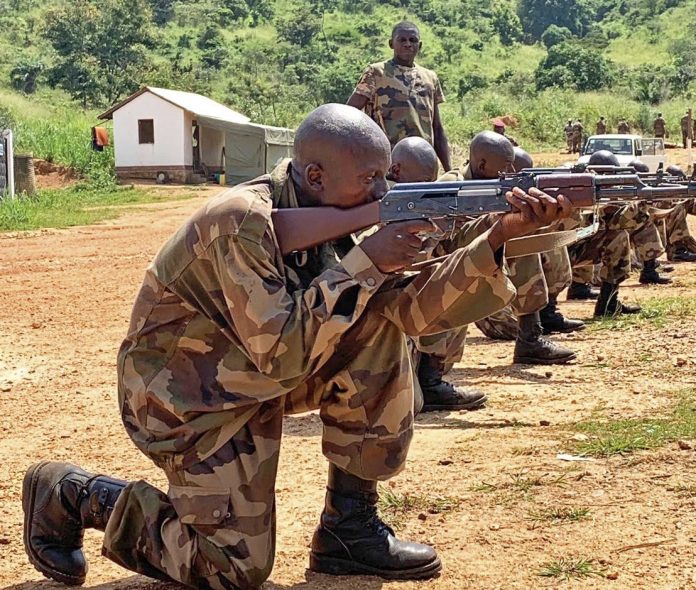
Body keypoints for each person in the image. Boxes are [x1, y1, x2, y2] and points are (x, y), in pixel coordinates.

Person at [22, 104, 572, 588]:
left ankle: (349, 528)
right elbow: (283, 351)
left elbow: (411, 312)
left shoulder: (334, 211)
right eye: (372, 179)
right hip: (186, 399)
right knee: (232, 569)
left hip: (255, 377)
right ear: (315, 175)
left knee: (377, 326)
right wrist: (369, 260)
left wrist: (501, 237)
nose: (384, 192)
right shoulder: (239, 222)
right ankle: (75, 494)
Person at [438, 132, 577, 364]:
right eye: (506, 167)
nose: (512, 173)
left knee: (520, 239)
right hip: (447, 272)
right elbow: (445, 244)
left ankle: (530, 339)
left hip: (480, 267)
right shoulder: (450, 187)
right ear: (482, 164)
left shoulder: (494, 186)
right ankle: (431, 372)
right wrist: (497, 224)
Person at [387, 136, 486, 412]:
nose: (425, 191)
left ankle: (429, 380)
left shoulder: (413, 197)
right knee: (405, 405)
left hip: (399, 307)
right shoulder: (378, 202)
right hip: (377, 311)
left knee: (455, 280)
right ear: (396, 171)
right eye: (420, 183)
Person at [347, 21, 451, 171]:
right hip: (387, 165)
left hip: (423, 164)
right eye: (402, 40)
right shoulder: (376, 73)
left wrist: (450, 171)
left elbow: (437, 128)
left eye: (413, 40)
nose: (408, 44)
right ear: (391, 44)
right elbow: (349, 115)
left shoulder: (430, 77)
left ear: (419, 46)